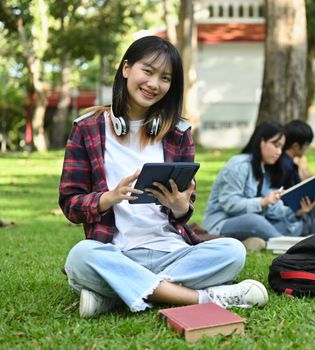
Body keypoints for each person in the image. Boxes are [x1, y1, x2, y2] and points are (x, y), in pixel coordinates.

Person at [59, 36, 267, 318]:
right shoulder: (87, 129)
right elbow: (71, 204)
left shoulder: (178, 133)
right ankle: (203, 298)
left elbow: (185, 208)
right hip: (117, 251)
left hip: (172, 251)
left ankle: (116, 294)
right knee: (81, 257)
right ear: (126, 69)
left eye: (165, 78)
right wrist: (108, 198)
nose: (154, 84)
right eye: (147, 71)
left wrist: (180, 206)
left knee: (233, 251)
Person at [201, 121, 315, 244]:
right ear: (261, 141)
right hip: (221, 223)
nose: (279, 151)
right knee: (255, 221)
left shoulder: (263, 169)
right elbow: (229, 204)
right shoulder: (238, 165)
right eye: (275, 145)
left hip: (259, 220)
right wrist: (263, 202)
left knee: (285, 223)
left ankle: (289, 238)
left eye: (281, 146)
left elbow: (272, 207)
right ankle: (287, 244)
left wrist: (296, 213)